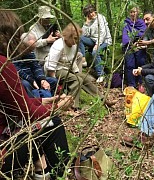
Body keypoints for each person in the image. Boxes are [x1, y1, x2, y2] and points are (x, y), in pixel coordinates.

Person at [0, 10, 72, 179]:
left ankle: (41, 170)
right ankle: (59, 175)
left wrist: (43, 100)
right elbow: (28, 113)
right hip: (3, 152)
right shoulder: (3, 66)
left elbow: (15, 102)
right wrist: (57, 108)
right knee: (53, 124)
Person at [44, 22, 105, 108]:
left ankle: (102, 99)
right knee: (77, 80)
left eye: (78, 39)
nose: (76, 41)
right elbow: (50, 65)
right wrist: (54, 82)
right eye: (75, 38)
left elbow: (72, 61)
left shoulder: (74, 46)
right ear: (68, 36)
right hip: (56, 70)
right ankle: (72, 105)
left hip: (67, 69)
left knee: (85, 78)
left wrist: (76, 72)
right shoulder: (59, 45)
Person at [14, 32, 58, 98]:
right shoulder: (14, 53)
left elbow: (36, 66)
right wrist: (31, 80)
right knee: (25, 84)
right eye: (29, 49)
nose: (31, 51)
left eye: (32, 49)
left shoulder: (30, 52)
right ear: (22, 45)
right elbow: (17, 70)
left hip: (34, 79)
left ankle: (48, 98)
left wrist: (42, 79)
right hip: (25, 80)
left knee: (53, 81)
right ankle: (34, 103)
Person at [79, 4, 112, 83]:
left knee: (95, 52)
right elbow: (83, 35)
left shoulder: (101, 18)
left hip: (104, 41)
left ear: (94, 11)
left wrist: (97, 44)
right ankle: (83, 59)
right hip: (93, 40)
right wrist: (86, 24)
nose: (91, 14)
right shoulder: (89, 21)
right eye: (89, 13)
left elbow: (103, 33)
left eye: (92, 12)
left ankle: (101, 74)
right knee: (79, 38)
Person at [122, 6, 147, 92]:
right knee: (130, 64)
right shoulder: (126, 23)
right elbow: (125, 34)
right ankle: (131, 84)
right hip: (129, 45)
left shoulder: (141, 23)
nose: (133, 14)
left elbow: (142, 33)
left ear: (138, 13)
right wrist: (130, 42)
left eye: (135, 12)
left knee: (140, 62)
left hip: (139, 44)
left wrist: (136, 40)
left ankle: (140, 83)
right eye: (131, 12)